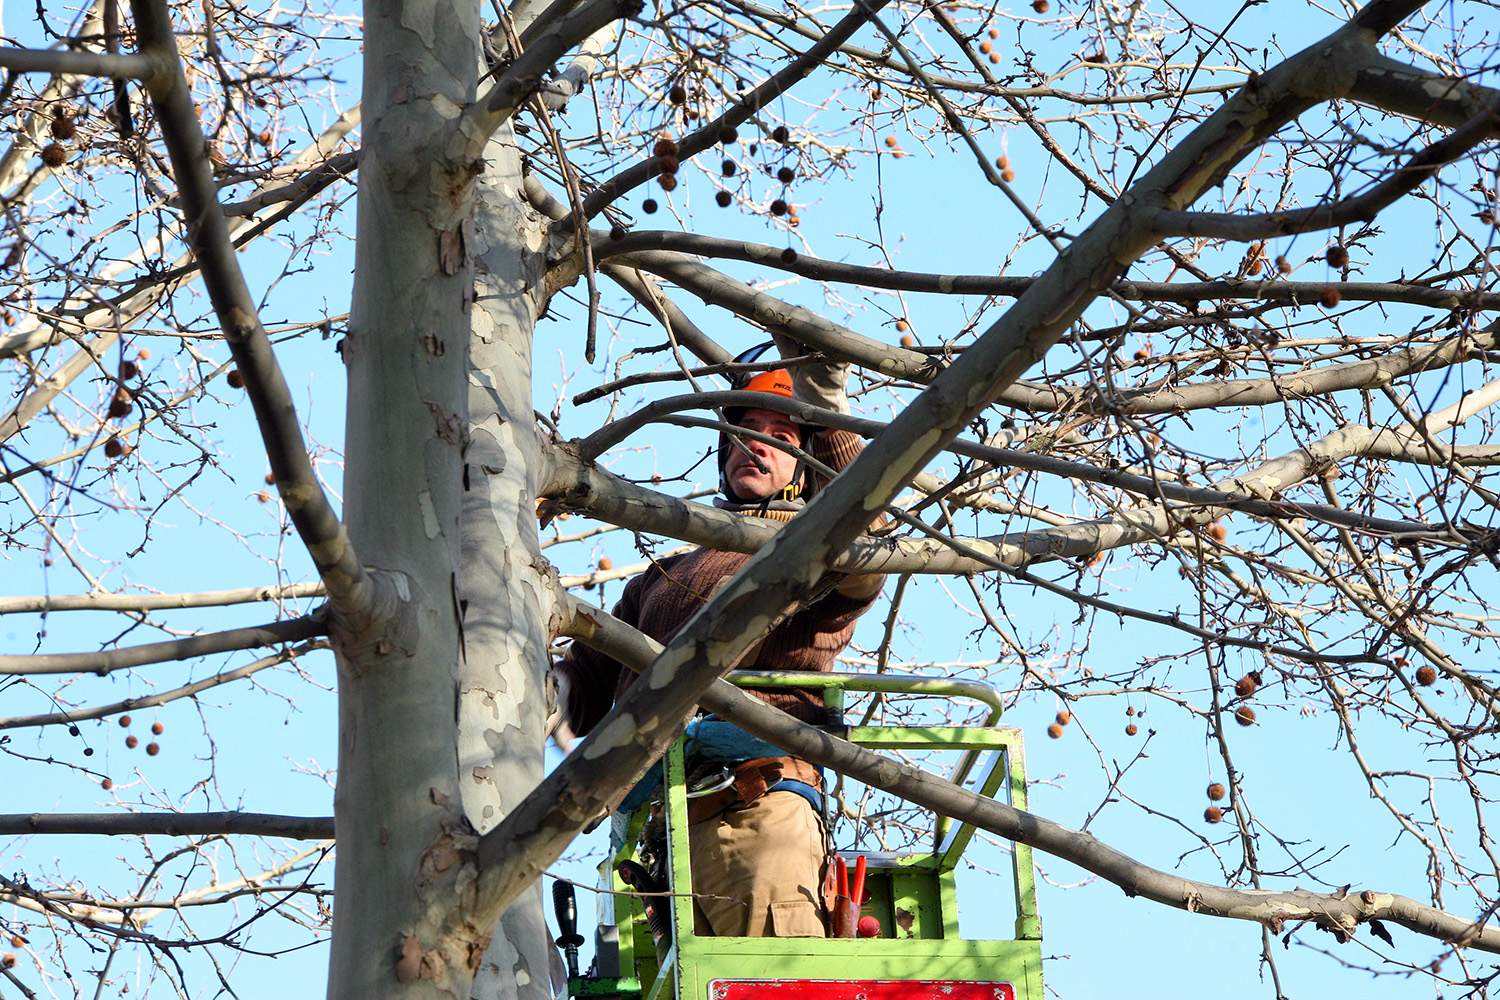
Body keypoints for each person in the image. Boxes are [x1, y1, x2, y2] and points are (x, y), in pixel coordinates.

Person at [550, 338, 883, 939]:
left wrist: (827, 411)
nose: (755, 442)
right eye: (743, 428)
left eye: (780, 433)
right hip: (660, 841)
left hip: (756, 810)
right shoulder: (662, 576)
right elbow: (576, 690)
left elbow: (868, 543)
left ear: (808, 461)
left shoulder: (815, 552)